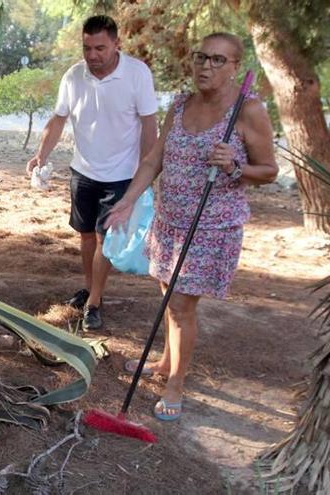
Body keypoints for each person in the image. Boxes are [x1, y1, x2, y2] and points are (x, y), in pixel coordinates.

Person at [105, 32, 278, 421]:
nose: (205, 66)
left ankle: (175, 384)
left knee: (181, 306)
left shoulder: (249, 111)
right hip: (171, 221)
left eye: (218, 60)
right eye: (201, 57)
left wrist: (235, 166)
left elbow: (268, 171)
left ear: (236, 67)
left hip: (211, 226)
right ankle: (166, 363)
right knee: (168, 295)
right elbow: (154, 159)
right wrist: (128, 200)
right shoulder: (180, 105)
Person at [26, 15, 158, 330]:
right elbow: (58, 120)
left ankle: (95, 302)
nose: (92, 55)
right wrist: (40, 154)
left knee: (104, 239)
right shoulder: (73, 77)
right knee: (86, 235)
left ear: (116, 44)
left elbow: (149, 126)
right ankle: (90, 287)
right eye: (87, 48)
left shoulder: (137, 74)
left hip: (121, 174)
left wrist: (146, 174)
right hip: (83, 171)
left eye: (100, 48)